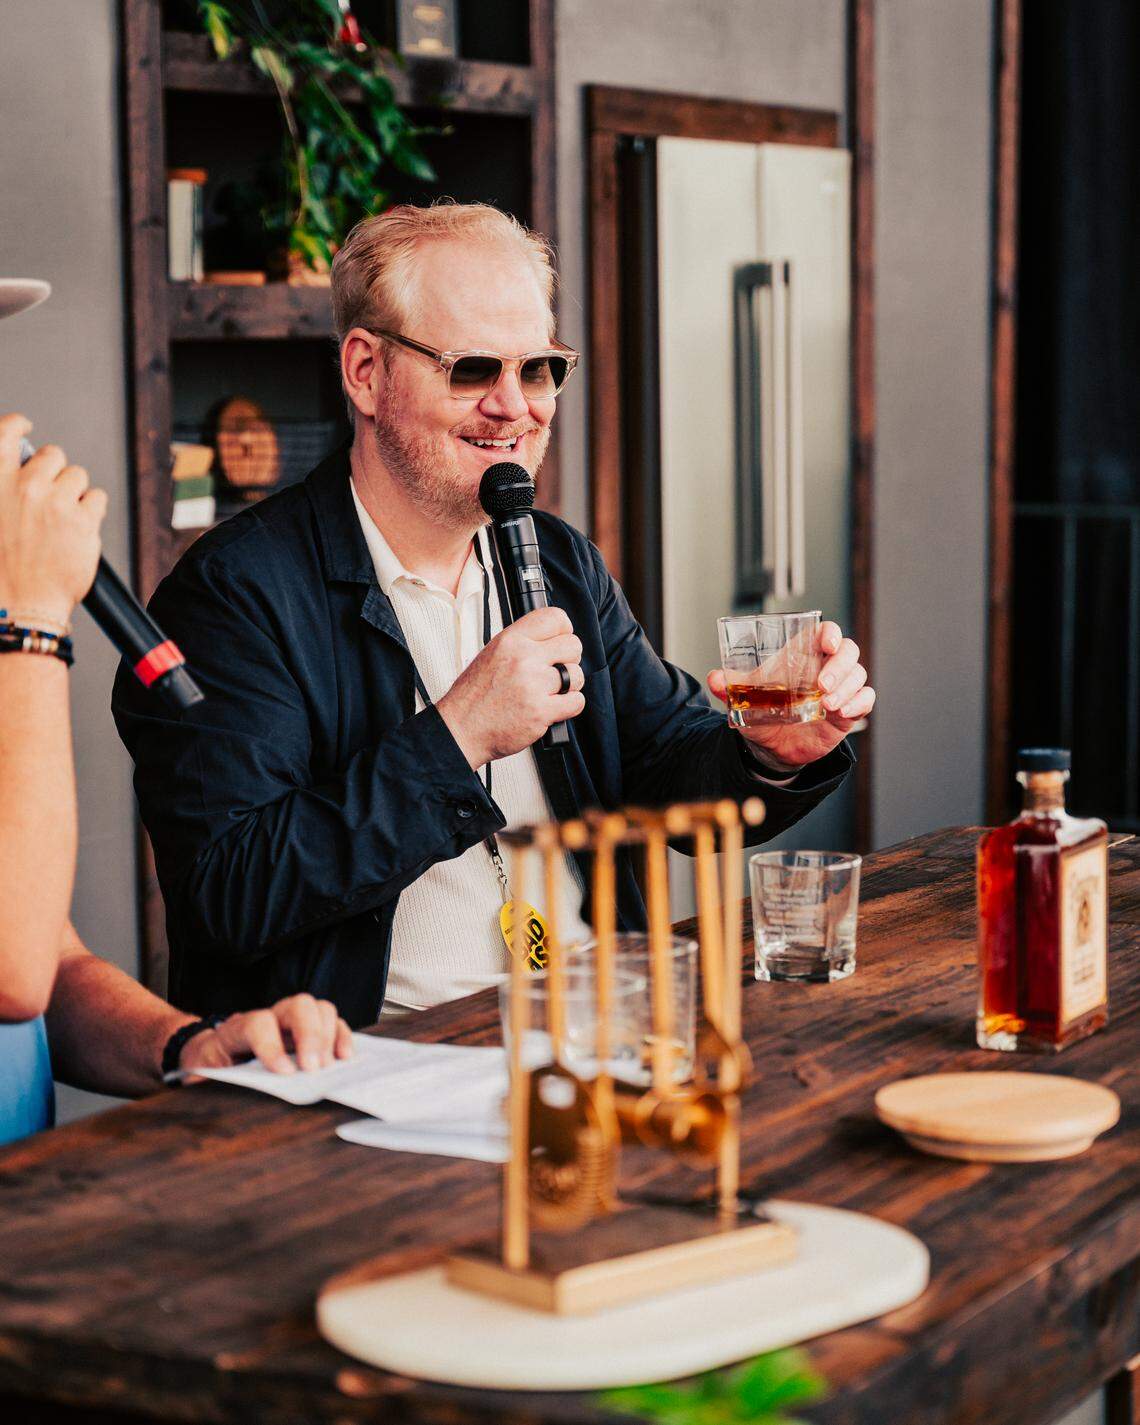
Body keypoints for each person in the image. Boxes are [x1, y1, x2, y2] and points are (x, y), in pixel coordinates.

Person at [113, 203, 874, 1028]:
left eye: (539, 369)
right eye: (472, 368)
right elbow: (230, 894)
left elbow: (663, 765)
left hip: (595, 1015)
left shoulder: (556, 561)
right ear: (365, 372)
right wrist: (455, 738)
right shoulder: (231, 594)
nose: (517, 406)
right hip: (377, 1063)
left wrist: (765, 754)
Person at [0, 407, 352, 1148]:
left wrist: (188, 1045)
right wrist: (32, 620)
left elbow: (53, 962)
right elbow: (14, 971)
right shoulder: (17, 637)